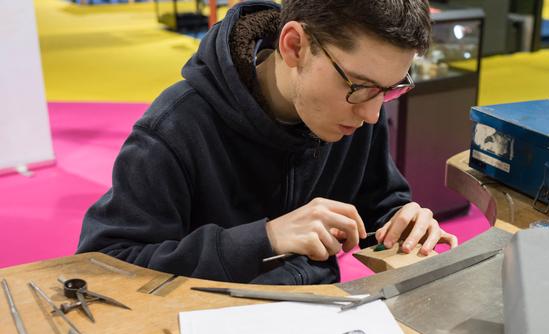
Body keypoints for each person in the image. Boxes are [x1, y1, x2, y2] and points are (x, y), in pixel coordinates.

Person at [77, 0, 458, 285]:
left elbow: (377, 199)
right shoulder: (175, 127)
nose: (373, 114)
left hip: (317, 313)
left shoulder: (356, 110)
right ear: (294, 46)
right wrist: (265, 239)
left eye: (390, 90)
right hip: (203, 333)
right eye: (358, 87)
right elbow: (104, 263)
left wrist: (401, 221)